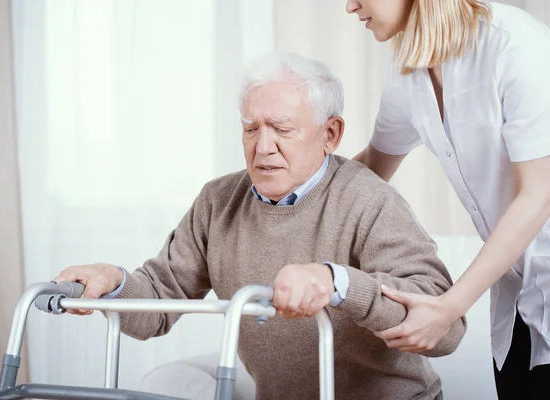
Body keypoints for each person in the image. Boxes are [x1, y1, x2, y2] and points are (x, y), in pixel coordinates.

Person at [55, 52, 465, 400]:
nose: (263, 146)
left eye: (282, 129)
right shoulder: (218, 202)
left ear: (331, 134)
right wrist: (113, 281)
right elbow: (159, 302)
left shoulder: (369, 200)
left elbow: (444, 327)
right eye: (251, 129)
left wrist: (337, 283)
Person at [346, 1, 550, 398]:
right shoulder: (408, 72)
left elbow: (538, 196)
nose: (350, 6)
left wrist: (450, 306)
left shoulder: (516, 49)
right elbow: (371, 169)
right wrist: (289, 196)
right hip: (515, 299)